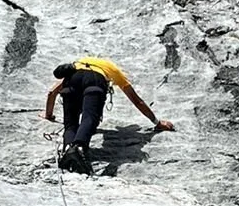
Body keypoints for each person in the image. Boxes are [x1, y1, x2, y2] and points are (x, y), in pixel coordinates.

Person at [44, 56, 174, 173]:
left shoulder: (78, 64)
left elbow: (52, 93)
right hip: (95, 81)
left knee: (71, 124)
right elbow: (137, 101)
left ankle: (68, 150)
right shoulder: (112, 69)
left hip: (72, 80)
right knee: (90, 117)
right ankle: (78, 148)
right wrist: (157, 122)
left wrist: (48, 115)